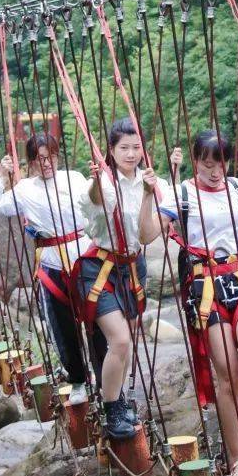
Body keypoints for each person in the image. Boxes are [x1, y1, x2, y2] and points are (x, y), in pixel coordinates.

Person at [171, 130, 238, 476]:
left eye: (221, 162)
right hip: (205, 285)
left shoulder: (235, 187)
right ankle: (236, 457)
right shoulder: (183, 193)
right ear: (197, 160)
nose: (215, 171)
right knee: (227, 374)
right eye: (207, 163)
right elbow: (151, 231)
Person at [0, 133, 107, 422]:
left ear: (57, 156)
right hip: (51, 262)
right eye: (39, 159)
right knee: (62, 325)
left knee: (97, 320)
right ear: (30, 163)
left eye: (50, 157)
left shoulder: (75, 179)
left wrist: (99, 180)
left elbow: (100, 202)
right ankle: (78, 379)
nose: (46, 163)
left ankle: (104, 380)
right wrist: (2, 178)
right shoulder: (24, 189)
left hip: (84, 257)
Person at [78, 118, 176, 442]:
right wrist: (95, 181)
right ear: (111, 150)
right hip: (100, 269)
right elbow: (97, 202)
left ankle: (116, 397)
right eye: (124, 148)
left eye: (136, 147)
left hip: (133, 267)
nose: (131, 154)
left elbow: (147, 234)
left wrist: (150, 194)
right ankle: (111, 411)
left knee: (124, 340)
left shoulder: (152, 183)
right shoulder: (104, 183)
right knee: (119, 340)